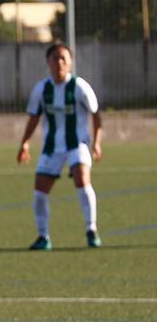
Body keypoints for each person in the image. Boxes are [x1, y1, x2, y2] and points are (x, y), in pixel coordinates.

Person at [17, 42, 103, 250]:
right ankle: (43, 237)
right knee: (39, 190)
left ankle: (91, 230)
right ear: (48, 63)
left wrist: (97, 143)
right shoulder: (41, 89)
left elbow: (96, 115)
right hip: (52, 147)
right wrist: (25, 143)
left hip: (77, 144)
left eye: (64, 58)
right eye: (55, 58)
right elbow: (34, 118)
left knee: (82, 179)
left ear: (71, 62)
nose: (60, 62)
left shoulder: (80, 86)